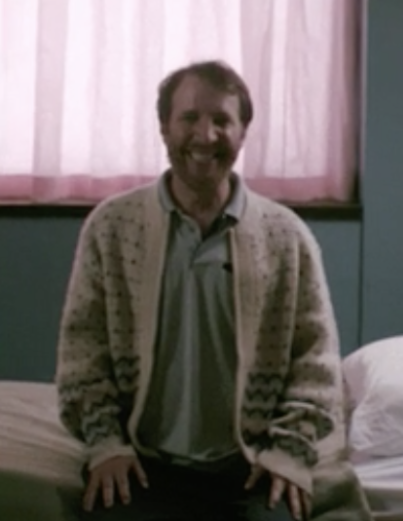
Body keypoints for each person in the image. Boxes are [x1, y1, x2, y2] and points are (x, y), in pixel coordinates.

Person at [55, 60, 371, 521]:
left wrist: (289, 450)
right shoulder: (111, 227)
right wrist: (106, 443)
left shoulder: (287, 237)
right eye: (189, 118)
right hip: (143, 465)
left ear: (243, 133)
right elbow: (84, 350)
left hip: (251, 469)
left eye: (222, 121)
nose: (205, 136)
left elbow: (315, 360)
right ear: (164, 127)